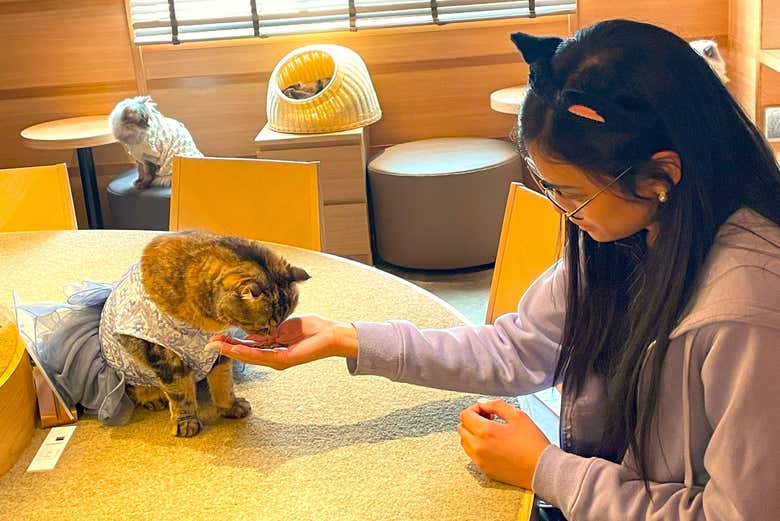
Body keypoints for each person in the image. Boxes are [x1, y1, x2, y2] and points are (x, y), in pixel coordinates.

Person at [208, 19, 780, 521]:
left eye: (571, 194)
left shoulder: (744, 315)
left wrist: (547, 470)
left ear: (660, 176)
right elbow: (518, 349)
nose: (563, 212)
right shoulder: (639, 231)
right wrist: (349, 340)